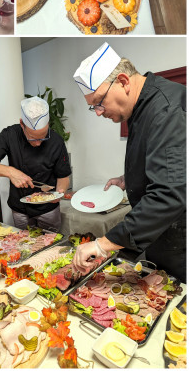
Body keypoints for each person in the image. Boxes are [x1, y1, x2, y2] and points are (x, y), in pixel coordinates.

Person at [72, 43, 186, 281]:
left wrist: (103, 244)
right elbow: (166, 163)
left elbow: (169, 192)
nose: (98, 112)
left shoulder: (165, 109)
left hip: (179, 240)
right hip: (160, 234)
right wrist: (130, 178)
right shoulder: (142, 106)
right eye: (93, 106)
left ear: (123, 82)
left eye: (99, 102)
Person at [0, 96, 71, 232]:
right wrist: (10, 171)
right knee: (23, 245)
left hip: (48, 209)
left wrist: (58, 194)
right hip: (20, 209)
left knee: (51, 245)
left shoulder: (56, 141)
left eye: (43, 137)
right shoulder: (10, 135)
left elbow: (63, 176)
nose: (38, 143)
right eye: (33, 138)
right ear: (22, 124)